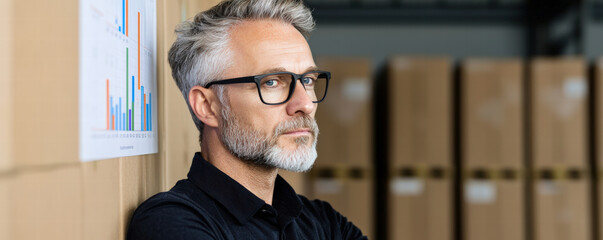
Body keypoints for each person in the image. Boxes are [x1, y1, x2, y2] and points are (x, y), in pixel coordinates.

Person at [127, 0, 367, 239]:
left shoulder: (324, 223)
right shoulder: (171, 222)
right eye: (271, 82)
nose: (304, 104)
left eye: (308, 80)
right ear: (207, 106)